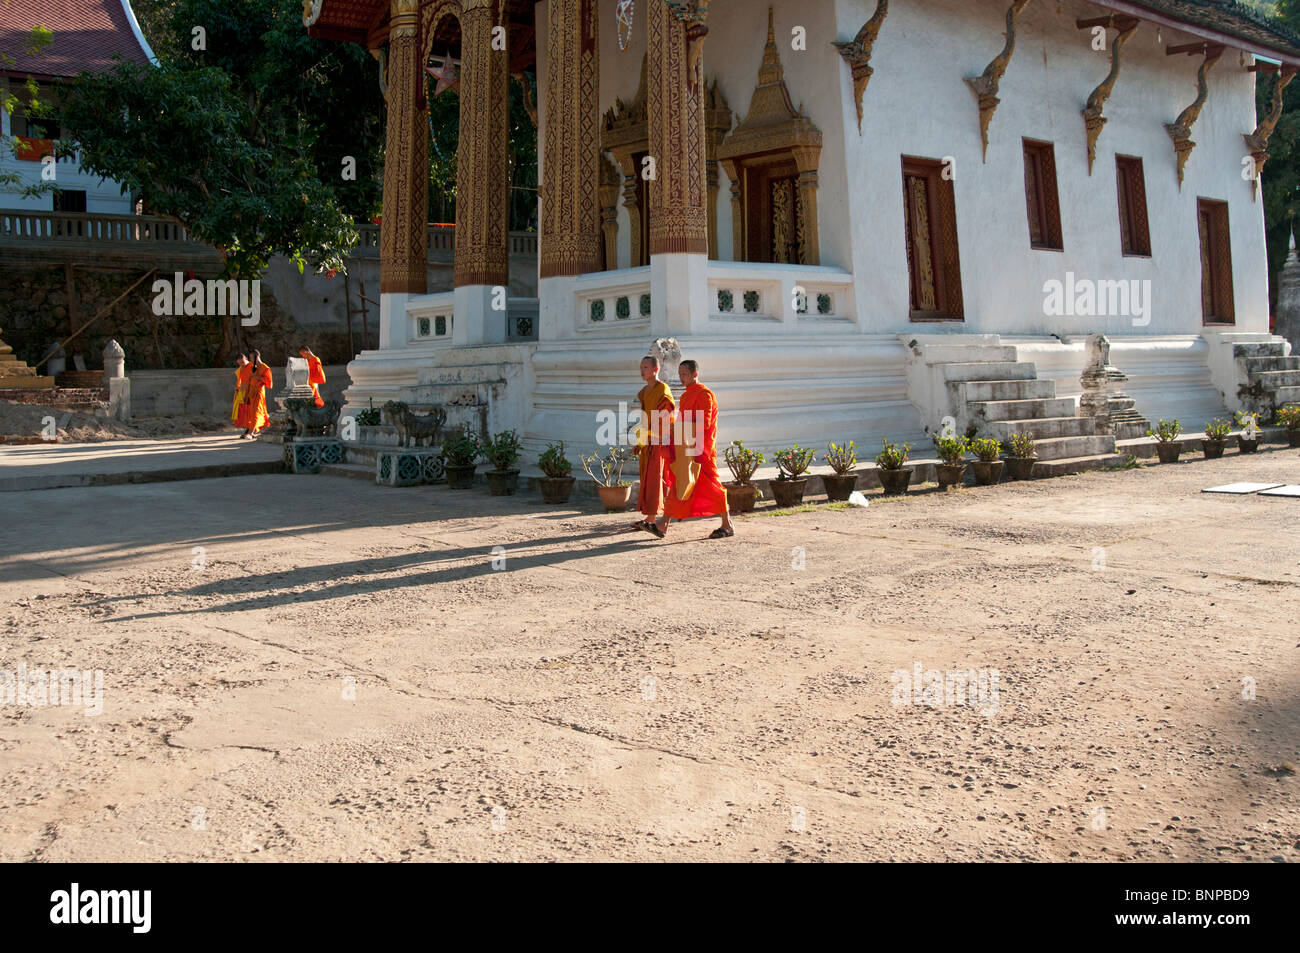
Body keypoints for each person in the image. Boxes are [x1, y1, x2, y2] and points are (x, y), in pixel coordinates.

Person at [650, 359, 734, 539]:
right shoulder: (687, 394)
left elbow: (704, 423)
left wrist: (677, 427)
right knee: (679, 483)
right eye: (680, 374)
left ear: (695, 374)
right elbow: (684, 421)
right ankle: (663, 523)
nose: (681, 378)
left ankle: (727, 524)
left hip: (701, 449)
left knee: (713, 487)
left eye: (685, 374)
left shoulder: (705, 395)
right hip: (685, 447)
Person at [632, 355, 674, 533]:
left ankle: (651, 518)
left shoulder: (663, 389)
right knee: (647, 477)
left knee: (656, 477)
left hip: (659, 440)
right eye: (641, 367)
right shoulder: (643, 392)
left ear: (656, 370)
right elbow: (643, 419)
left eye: (646, 367)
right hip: (647, 441)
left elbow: (666, 416)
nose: (642, 371)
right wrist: (639, 441)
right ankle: (649, 515)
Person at [236, 350, 273, 439]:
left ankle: (251, 433)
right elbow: (249, 380)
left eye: (252, 358)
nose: (250, 360)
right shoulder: (252, 367)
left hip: (259, 393)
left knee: (256, 412)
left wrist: (257, 377)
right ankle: (250, 430)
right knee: (251, 412)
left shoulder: (265, 368)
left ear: (257, 357)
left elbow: (269, 383)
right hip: (250, 392)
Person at [231, 354, 250, 430]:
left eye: (242, 362)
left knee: (250, 412)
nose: (241, 364)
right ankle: (247, 429)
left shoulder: (252, 367)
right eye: (239, 363)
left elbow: (255, 379)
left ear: (246, 358)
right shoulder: (241, 369)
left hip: (251, 392)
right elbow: (239, 380)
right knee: (243, 412)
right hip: (242, 393)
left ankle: (251, 430)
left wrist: (247, 385)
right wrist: (237, 387)